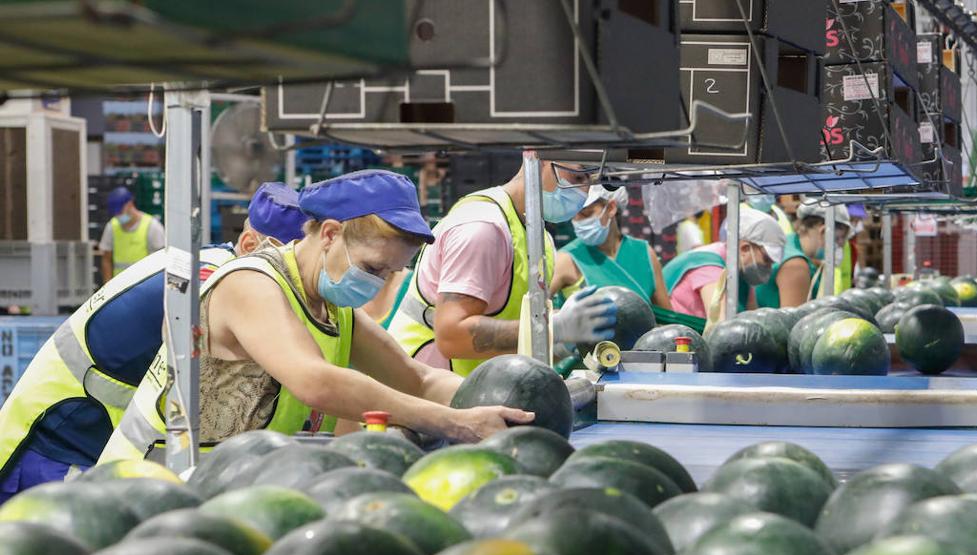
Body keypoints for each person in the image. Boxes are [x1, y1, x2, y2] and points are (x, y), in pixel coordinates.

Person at [98, 170, 530, 464]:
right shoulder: (251, 283)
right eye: (374, 267)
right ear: (329, 234)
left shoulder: (334, 309)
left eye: (391, 273)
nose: (379, 283)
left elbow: (417, 379)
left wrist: (503, 403)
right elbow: (316, 380)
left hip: (235, 482)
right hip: (159, 481)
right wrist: (454, 422)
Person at [0, 183, 308, 501]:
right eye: (287, 270)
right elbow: (180, 336)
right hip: (61, 439)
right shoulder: (211, 277)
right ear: (249, 244)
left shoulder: (214, 262)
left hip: (88, 438)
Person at [388, 161, 617, 373]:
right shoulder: (482, 227)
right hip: (421, 394)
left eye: (588, 181)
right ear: (539, 158)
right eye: (577, 176)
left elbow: (516, 330)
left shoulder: (538, 238)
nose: (582, 191)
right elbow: (452, 336)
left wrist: (561, 345)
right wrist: (554, 328)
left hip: (474, 394)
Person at [549, 185, 671, 310]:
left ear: (611, 208)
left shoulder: (644, 254)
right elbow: (535, 310)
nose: (577, 221)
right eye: (573, 215)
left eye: (586, 213)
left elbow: (668, 317)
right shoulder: (567, 259)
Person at [662, 207, 786, 320]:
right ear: (744, 248)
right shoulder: (710, 267)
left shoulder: (740, 271)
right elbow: (718, 324)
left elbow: (753, 317)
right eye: (766, 259)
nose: (769, 268)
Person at [755, 202, 826, 308]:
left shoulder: (789, 242)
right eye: (839, 239)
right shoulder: (796, 265)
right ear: (823, 231)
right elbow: (792, 320)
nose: (840, 247)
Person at [99, 187, 166, 280]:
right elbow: (106, 260)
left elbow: (160, 262)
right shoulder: (112, 226)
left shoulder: (152, 226)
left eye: (120, 212)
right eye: (115, 214)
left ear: (130, 204)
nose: (118, 216)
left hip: (143, 286)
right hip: (119, 287)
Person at [810, 204, 854, 298]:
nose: (841, 243)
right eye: (836, 238)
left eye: (843, 238)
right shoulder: (801, 264)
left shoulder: (843, 248)